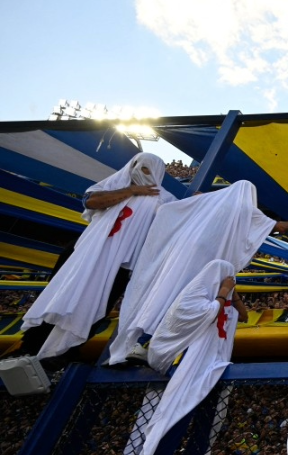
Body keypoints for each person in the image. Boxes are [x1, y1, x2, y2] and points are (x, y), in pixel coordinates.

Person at [107, 180, 288, 365]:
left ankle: (139, 343)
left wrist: (203, 196)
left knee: (162, 296)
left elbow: (174, 207)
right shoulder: (246, 209)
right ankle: (158, 347)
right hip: (204, 263)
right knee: (183, 301)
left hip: (182, 256)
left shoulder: (210, 201)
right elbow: (280, 227)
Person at [21, 152, 176, 360]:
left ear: (157, 172)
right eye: (136, 167)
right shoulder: (113, 186)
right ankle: (30, 345)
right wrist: (132, 190)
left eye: (146, 169)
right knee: (60, 296)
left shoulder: (165, 199)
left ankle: (65, 352)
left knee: (97, 306)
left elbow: (177, 220)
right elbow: (91, 201)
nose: (139, 172)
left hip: (121, 264)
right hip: (85, 253)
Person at [139, 259, 244, 455]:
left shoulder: (221, 300)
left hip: (208, 361)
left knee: (202, 413)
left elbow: (244, 315)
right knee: (174, 411)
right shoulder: (192, 294)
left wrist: (231, 293)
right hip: (180, 360)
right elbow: (208, 314)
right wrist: (223, 292)